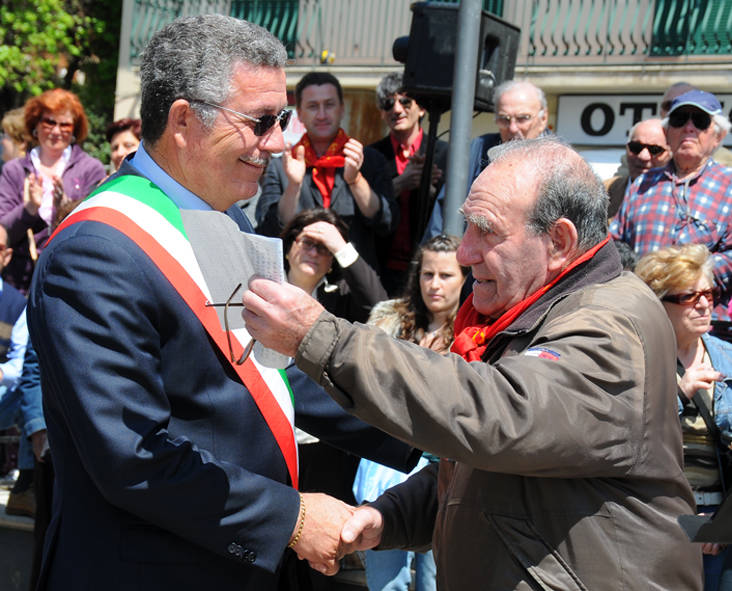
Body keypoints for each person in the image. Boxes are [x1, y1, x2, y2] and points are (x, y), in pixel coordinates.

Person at [26, 15, 416, 590]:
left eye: (281, 119)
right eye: (262, 121)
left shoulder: (222, 216)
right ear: (183, 120)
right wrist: (293, 519)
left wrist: (426, 434)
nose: (281, 141)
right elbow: (131, 455)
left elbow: (273, 371)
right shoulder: (96, 250)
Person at [243, 137, 703, 589]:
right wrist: (389, 517)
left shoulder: (610, 323)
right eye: (468, 226)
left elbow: (498, 415)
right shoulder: (535, 310)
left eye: (487, 230)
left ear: (559, 241)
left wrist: (320, 336)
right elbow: (487, 474)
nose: (465, 253)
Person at [353, 234, 466, 591]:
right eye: (427, 274)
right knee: (385, 580)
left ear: (465, 278)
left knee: (437, 578)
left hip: (442, 467)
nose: (434, 284)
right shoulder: (389, 322)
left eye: (446, 276)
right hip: (387, 462)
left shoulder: (476, 331)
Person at [635, 244, 732, 591]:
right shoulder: (637, 359)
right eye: (690, 296)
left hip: (723, 527)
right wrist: (676, 394)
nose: (705, 304)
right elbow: (626, 441)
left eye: (708, 293)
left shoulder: (728, 359)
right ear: (659, 303)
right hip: (657, 525)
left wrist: (723, 524)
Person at [611, 89, 732, 323]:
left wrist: (683, 275)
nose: (688, 127)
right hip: (641, 317)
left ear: (718, 136)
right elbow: (616, 242)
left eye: (700, 121)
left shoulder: (729, 185)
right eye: (679, 120)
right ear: (667, 133)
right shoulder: (642, 184)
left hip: (702, 324)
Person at [256, 71, 396, 274]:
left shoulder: (369, 160)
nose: (322, 114)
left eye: (329, 105)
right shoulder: (281, 166)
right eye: (313, 106)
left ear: (341, 109)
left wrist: (355, 180)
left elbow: (387, 223)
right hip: (299, 281)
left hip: (355, 285)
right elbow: (268, 231)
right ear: (300, 114)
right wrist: (294, 187)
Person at [0, 89, 106, 292]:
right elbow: (3, 233)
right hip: (19, 282)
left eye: (64, 124)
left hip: (69, 280)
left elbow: (94, 230)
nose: (56, 131)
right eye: (49, 122)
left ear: (75, 129)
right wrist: (29, 209)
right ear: (35, 126)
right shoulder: (14, 170)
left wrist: (65, 208)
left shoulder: (91, 169)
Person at [367, 72, 448, 295]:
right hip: (380, 268)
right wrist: (400, 183)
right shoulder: (372, 155)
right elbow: (364, 210)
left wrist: (430, 188)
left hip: (429, 269)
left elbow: (452, 212)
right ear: (382, 112)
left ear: (421, 109)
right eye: (388, 103)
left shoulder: (444, 153)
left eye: (405, 101)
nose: (397, 109)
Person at [282, 208, 386, 325]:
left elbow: (379, 308)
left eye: (324, 247)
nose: (313, 253)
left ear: (332, 261)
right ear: (289, 247)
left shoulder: (341, 296)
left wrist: (341, 247)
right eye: (307, 242)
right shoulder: (265, 278)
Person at [0, 224, 32, 517]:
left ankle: (27, 483)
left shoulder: (17, 305)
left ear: (7, 256)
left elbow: (20, 365)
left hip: (3, 396)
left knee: (32, 389)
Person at [604, 118, 671, 217]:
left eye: (655, 150)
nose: (643, 156)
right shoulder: (604, 191)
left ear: (671, 153)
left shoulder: (682, 200)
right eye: (636, 147)